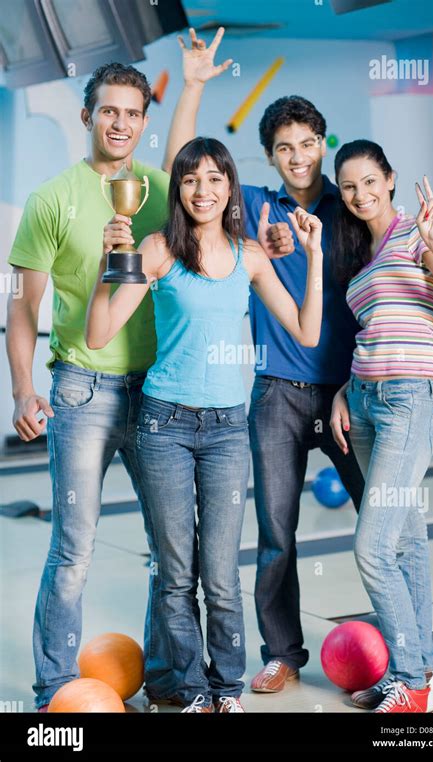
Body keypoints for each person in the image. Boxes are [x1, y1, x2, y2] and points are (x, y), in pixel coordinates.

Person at [5, 27, 232, 711]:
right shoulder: (53, 200)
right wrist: (22, 387)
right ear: (87, 116)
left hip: (161, 395)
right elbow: (23, 305)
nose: (121, 123)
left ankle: (164, 676)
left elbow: (193, 166)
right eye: (109, 110)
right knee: (73, 548)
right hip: (82, 390)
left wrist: (191, 84)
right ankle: (55, 687)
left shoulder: (165, 189)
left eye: (133, 112)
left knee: (173, 552)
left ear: (143, 119)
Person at [85, 136, 324, 712]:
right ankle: (192, 691)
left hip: (224, 431)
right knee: (174, 574)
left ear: (230, 187)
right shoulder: (158, 250)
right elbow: (99, 333)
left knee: (219, 576)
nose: (203, 190)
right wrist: (107, 262)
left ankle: (227, 689)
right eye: (191, 179)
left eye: (216, 178)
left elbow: (307, 331)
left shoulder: (250, 257)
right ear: (178, 189)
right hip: (164, 425)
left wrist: (314, 259)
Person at [161, 74, 365, 692]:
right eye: (284, 147)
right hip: (274, 391)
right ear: (270, 156)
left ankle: (406, 652)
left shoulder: (351, 207)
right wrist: (192, 86)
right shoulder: (252, 206)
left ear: (323, 144)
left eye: (307, 143)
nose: (298, 155)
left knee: (382, 523)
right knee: (277, 531)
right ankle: (282, 653)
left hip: (346, 396)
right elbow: (182, 168)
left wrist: (354, 386)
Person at [329, 139, 433, 713]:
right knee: (408, 540)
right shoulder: (360, 250)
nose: (360, 194)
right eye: (348, 186)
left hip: (410, 403)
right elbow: (376, 332)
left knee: (373, 545)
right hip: (363, 402)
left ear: (389, 179)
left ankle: (409, 680)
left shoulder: (417, 233)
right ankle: (425, 672)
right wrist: (345, 389)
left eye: (369, 181)